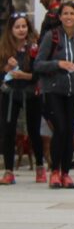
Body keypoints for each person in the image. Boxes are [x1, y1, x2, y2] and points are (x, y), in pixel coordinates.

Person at [34, 0, 74, 189]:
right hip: (53, 89)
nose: (68, 17)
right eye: (65, 14)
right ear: (59, 17)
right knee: (61, 128)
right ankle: (55, 170)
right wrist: (58, 64)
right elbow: (38, 64)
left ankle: (66, 172)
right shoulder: (52, 36)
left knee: (70, 130)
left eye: (72, 14)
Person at [1, 13, 45, 184]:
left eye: (24, 26)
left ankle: (40, 166)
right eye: (17, 27)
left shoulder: (35, 48)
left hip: (30, 92)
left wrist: (24, 75)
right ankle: (9, 171)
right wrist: (6, 68)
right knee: (8, 131)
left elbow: (38, 74)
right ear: (11, 30)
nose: (21, 30)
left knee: (34, 130)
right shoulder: (4, 48)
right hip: (10, 93)